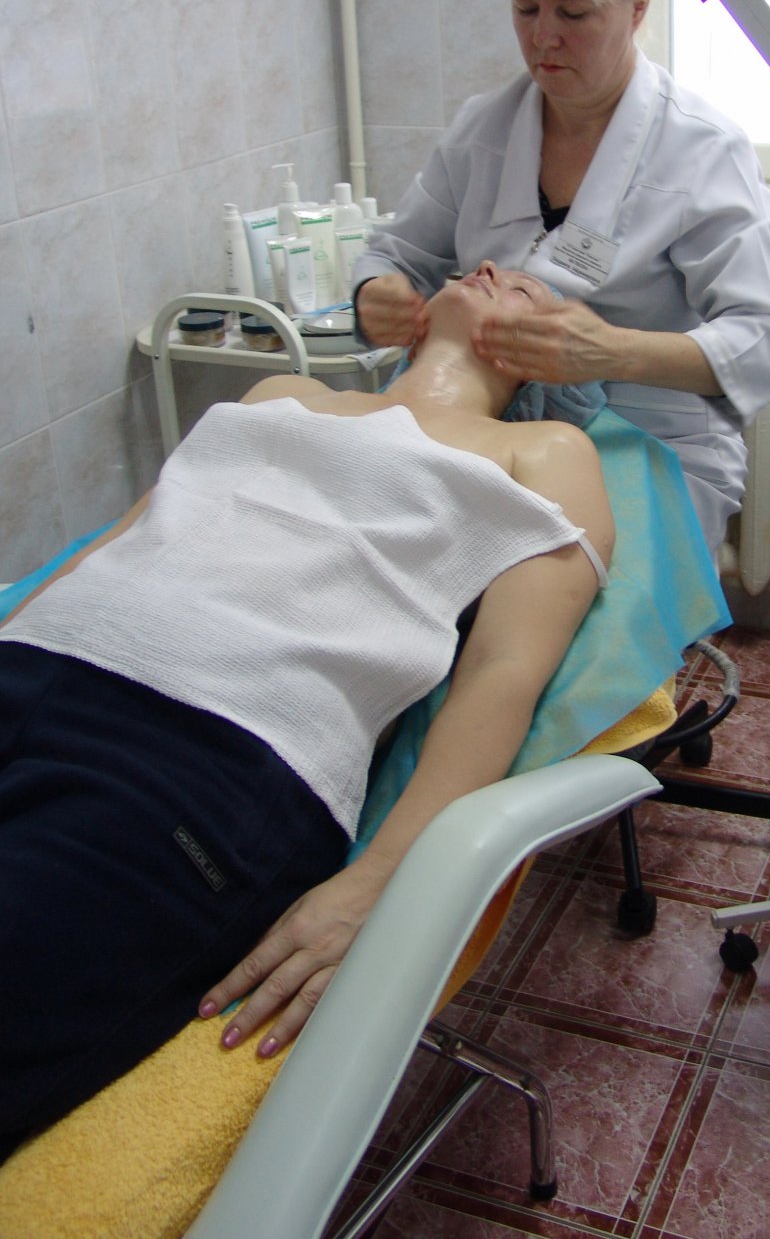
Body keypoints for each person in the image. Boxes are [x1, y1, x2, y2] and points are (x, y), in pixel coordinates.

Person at [0, 263, 613, 1162]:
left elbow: (503, 671)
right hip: (36, 661)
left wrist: (384, 879)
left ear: (548, 357)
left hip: (204, 757)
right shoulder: (281, 392)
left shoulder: (546, 450)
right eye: (484, 266)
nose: (492, 268)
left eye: (528, 290)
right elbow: (126, 535)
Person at [352, 0, 770, 556]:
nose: (543, 38)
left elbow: (765, 335)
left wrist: (614, 351)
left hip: (647, 439)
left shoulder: (702, 150)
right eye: (525, 9)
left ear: (638, 7)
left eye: (573, 13)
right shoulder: (483, 131)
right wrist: (374, 295)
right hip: (490, 431)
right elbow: (394, 254)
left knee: (560, 585)